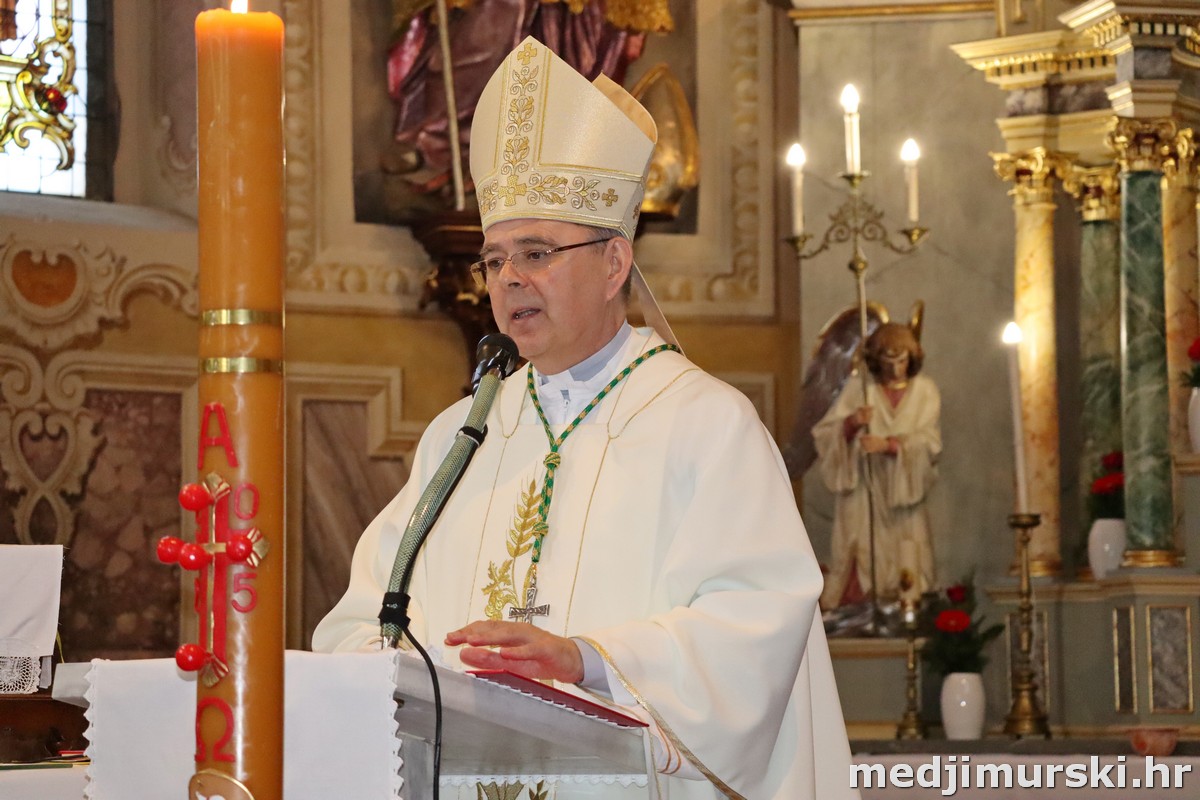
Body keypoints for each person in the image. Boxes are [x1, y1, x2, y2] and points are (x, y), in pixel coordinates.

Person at [315, 37, 857, 800]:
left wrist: (586, 660)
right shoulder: (460, 437)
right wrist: (396, 669)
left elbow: (755, 625)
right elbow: (364, 620)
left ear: (614, 264)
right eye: (494, 259)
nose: (509, 280)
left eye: (536, 253)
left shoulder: (707, 426)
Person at [812, 322, 941, 611]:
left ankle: (905, 607)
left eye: (901, 361)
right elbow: (825, 434)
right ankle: (860, 611)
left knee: (908, 554)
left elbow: (930, 443)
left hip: (903, 491)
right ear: (876, 360)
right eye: (888, 361)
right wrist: (851, 424)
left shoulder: (924, 391)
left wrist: (890, 446)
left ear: (911, 358)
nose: (895, 369)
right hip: (864, 490)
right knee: (861, 550)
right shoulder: (860, 389)